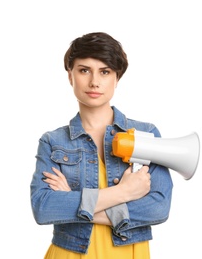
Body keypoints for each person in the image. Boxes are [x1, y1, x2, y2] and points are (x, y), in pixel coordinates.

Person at [30, 32, 173, 259]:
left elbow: (158, 208)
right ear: (70, 76)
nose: (94, 81)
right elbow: (44, 208)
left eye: (104, 72)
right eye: (84, 70)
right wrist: (123, 192)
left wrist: (73, 201)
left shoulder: (147, 135)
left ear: (117, 78)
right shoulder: (52, 141)